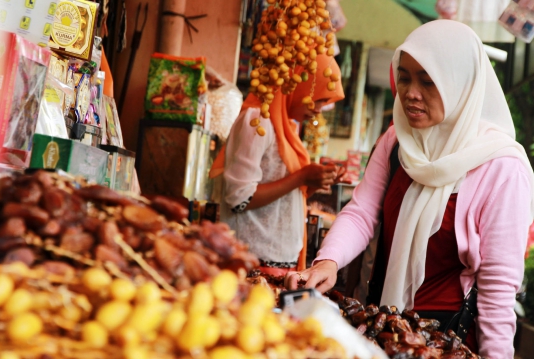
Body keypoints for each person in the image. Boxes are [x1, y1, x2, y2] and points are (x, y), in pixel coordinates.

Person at [286, 20, 534, 358]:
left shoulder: (501, 167)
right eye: (404, 77)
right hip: (384, 329)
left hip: (446, 341)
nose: (410, 92)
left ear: (460, 84)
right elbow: (361, 212)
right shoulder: (395, 142)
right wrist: (327, 262)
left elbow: (497, 286)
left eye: (428, 81)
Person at [210, 54, 346, 276]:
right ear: (297, 86)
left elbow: (282, 198)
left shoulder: (286, 128)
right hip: (251, 265)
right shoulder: (258, 120)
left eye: (325, 101)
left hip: (277, 264)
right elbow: (239, 199)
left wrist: (313, 181)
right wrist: (301, 178)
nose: (320, 109)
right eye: (319, 98)